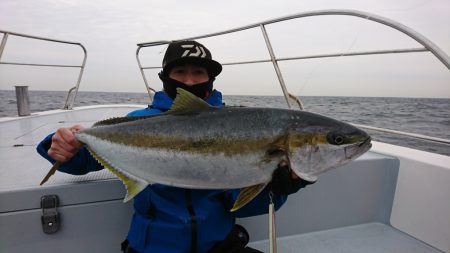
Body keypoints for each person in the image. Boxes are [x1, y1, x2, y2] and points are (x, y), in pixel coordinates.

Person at [36, 40, 312, 253]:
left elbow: (240, 208)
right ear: (165, 76)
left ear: (210, 77)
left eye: (198, 72)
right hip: (152, 248)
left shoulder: (234, 125)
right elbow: (83, 162)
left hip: (220, 245)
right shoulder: (139, 123)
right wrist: (62, 145)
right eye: (180, 72)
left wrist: (274, 189)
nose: (190, 81)